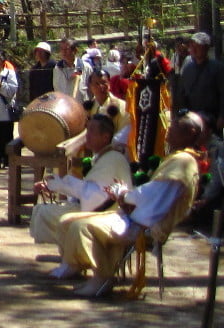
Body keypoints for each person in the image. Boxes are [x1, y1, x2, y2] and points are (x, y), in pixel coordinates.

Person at [52, 113, 204, 297]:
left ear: (190, 133)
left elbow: (151, 195)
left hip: (144, 226)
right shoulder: (178, 159)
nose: (168, 131)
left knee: (82, 226)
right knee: (68, 220)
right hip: (132, 216)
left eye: (174, 128)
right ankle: (74, 266)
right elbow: (150, 195)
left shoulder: (183, 162)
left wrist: (123, 194)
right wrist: (125, 198)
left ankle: (102, 278)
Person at [29, 114, 131, 249]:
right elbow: (89, 192)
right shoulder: (103, 156)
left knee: (45, 212)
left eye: (92, 132)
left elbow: (95, 197)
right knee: (41, 210)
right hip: (96, 208)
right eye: (87, 131)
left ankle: (73, 257)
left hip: (111, 214)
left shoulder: (113, 158)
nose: (87, 136)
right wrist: (56, 184)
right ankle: (70, 254)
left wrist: (58, 184)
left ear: (105, 137)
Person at [172, 31, 224, 135]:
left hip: (211, 118)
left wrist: (222, 116)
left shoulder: (218, 68)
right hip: (191, 117)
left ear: (206, 47)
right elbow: (182, 95)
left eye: (198, 46)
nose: (194, 49)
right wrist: (179, 116)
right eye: (192, 46)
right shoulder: (187, 69)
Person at [82, 69, 130, 148]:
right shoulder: (89, 107)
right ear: (90, 87)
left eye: (104, 83)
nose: (101, 87)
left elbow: (123, 138)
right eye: (96, 84)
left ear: (109, 84)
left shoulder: (122, 107)